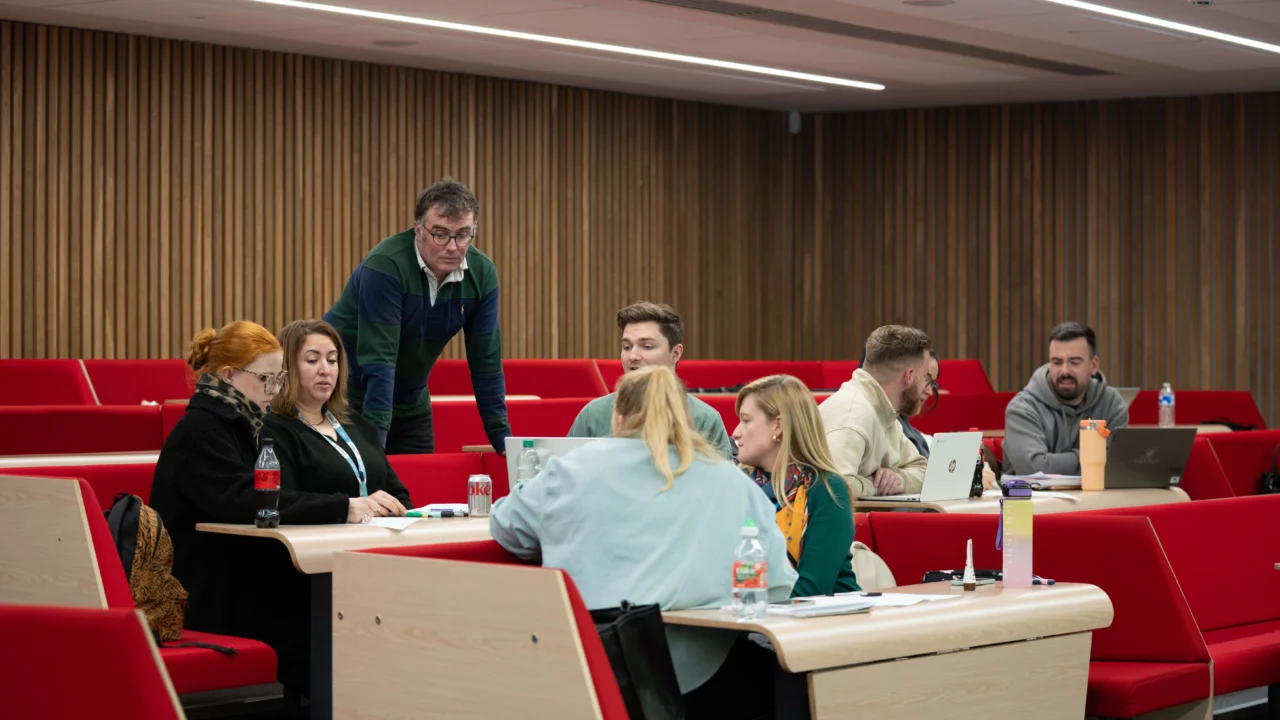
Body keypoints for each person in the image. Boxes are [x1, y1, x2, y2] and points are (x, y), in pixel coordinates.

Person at [491, 365, 795, 718]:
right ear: (686, 419)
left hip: (589, 669)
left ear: (618, 418)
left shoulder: (571, 468)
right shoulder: (733, 482)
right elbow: (778, 584)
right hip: (702, 672)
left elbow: (505, 526)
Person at [149, 322, 391, 696]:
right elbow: (249, 500)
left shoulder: (240, 423)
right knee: (321, 615)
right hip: (205, 590)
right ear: (228, 375)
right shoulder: (203, 430)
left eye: (278, 380)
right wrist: (342, 506)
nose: (274, 391)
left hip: (238, 575)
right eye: (265, 379)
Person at [324, 177, 511, 455]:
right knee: (360, 480)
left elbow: (486, 362)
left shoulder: (482, 274)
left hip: (411, 402)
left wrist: (503, 440)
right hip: (348, 397)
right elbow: (380, 359)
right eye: (440, 234)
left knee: (416, 481)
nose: (452, 247)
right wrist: (376, 448)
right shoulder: (385, 266)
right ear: (419, 231)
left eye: (462, 235)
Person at [264, 319, 413, 515]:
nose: (325, 370)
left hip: (378, 532)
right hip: (318, 533)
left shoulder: (356, 423)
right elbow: (280, 502)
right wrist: (347, 508)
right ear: (286, 367)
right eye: (312, 360)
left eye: (332, 360)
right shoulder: (272, 429)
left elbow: (399, 496)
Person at [733, 375, 858, 598]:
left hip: (826, 615)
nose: (736, 433)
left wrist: (743, 603)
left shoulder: (826, 489)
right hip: (754, 612)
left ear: (778, 426)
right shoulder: (740, 489)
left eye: (746, 420)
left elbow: (811, 589)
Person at [567, 301, 735, 461]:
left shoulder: (705, 419)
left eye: (647, 346)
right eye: (627, 347)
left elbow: (721, 479)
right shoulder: (593, 415)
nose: (632, 356)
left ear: (675, 354)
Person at [818, 325, 932, 498]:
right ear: (909, 376)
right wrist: (876, 485)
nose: (929, 389)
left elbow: (923, 470)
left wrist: (898, 479)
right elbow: (834, 487)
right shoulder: (853, 416)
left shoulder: (884, 411)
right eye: (925, 377)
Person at [1003, 321, 1129, 476]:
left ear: (1093, 365)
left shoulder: (1111, 404)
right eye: (1057, 362)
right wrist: (1095, 459)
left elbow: (1118, 464)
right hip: (1032, 493)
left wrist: (1055, 462)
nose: (1064, 371)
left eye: (1074, 362)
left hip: (1098, 492)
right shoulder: (1022, 409)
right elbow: (1034, 470)